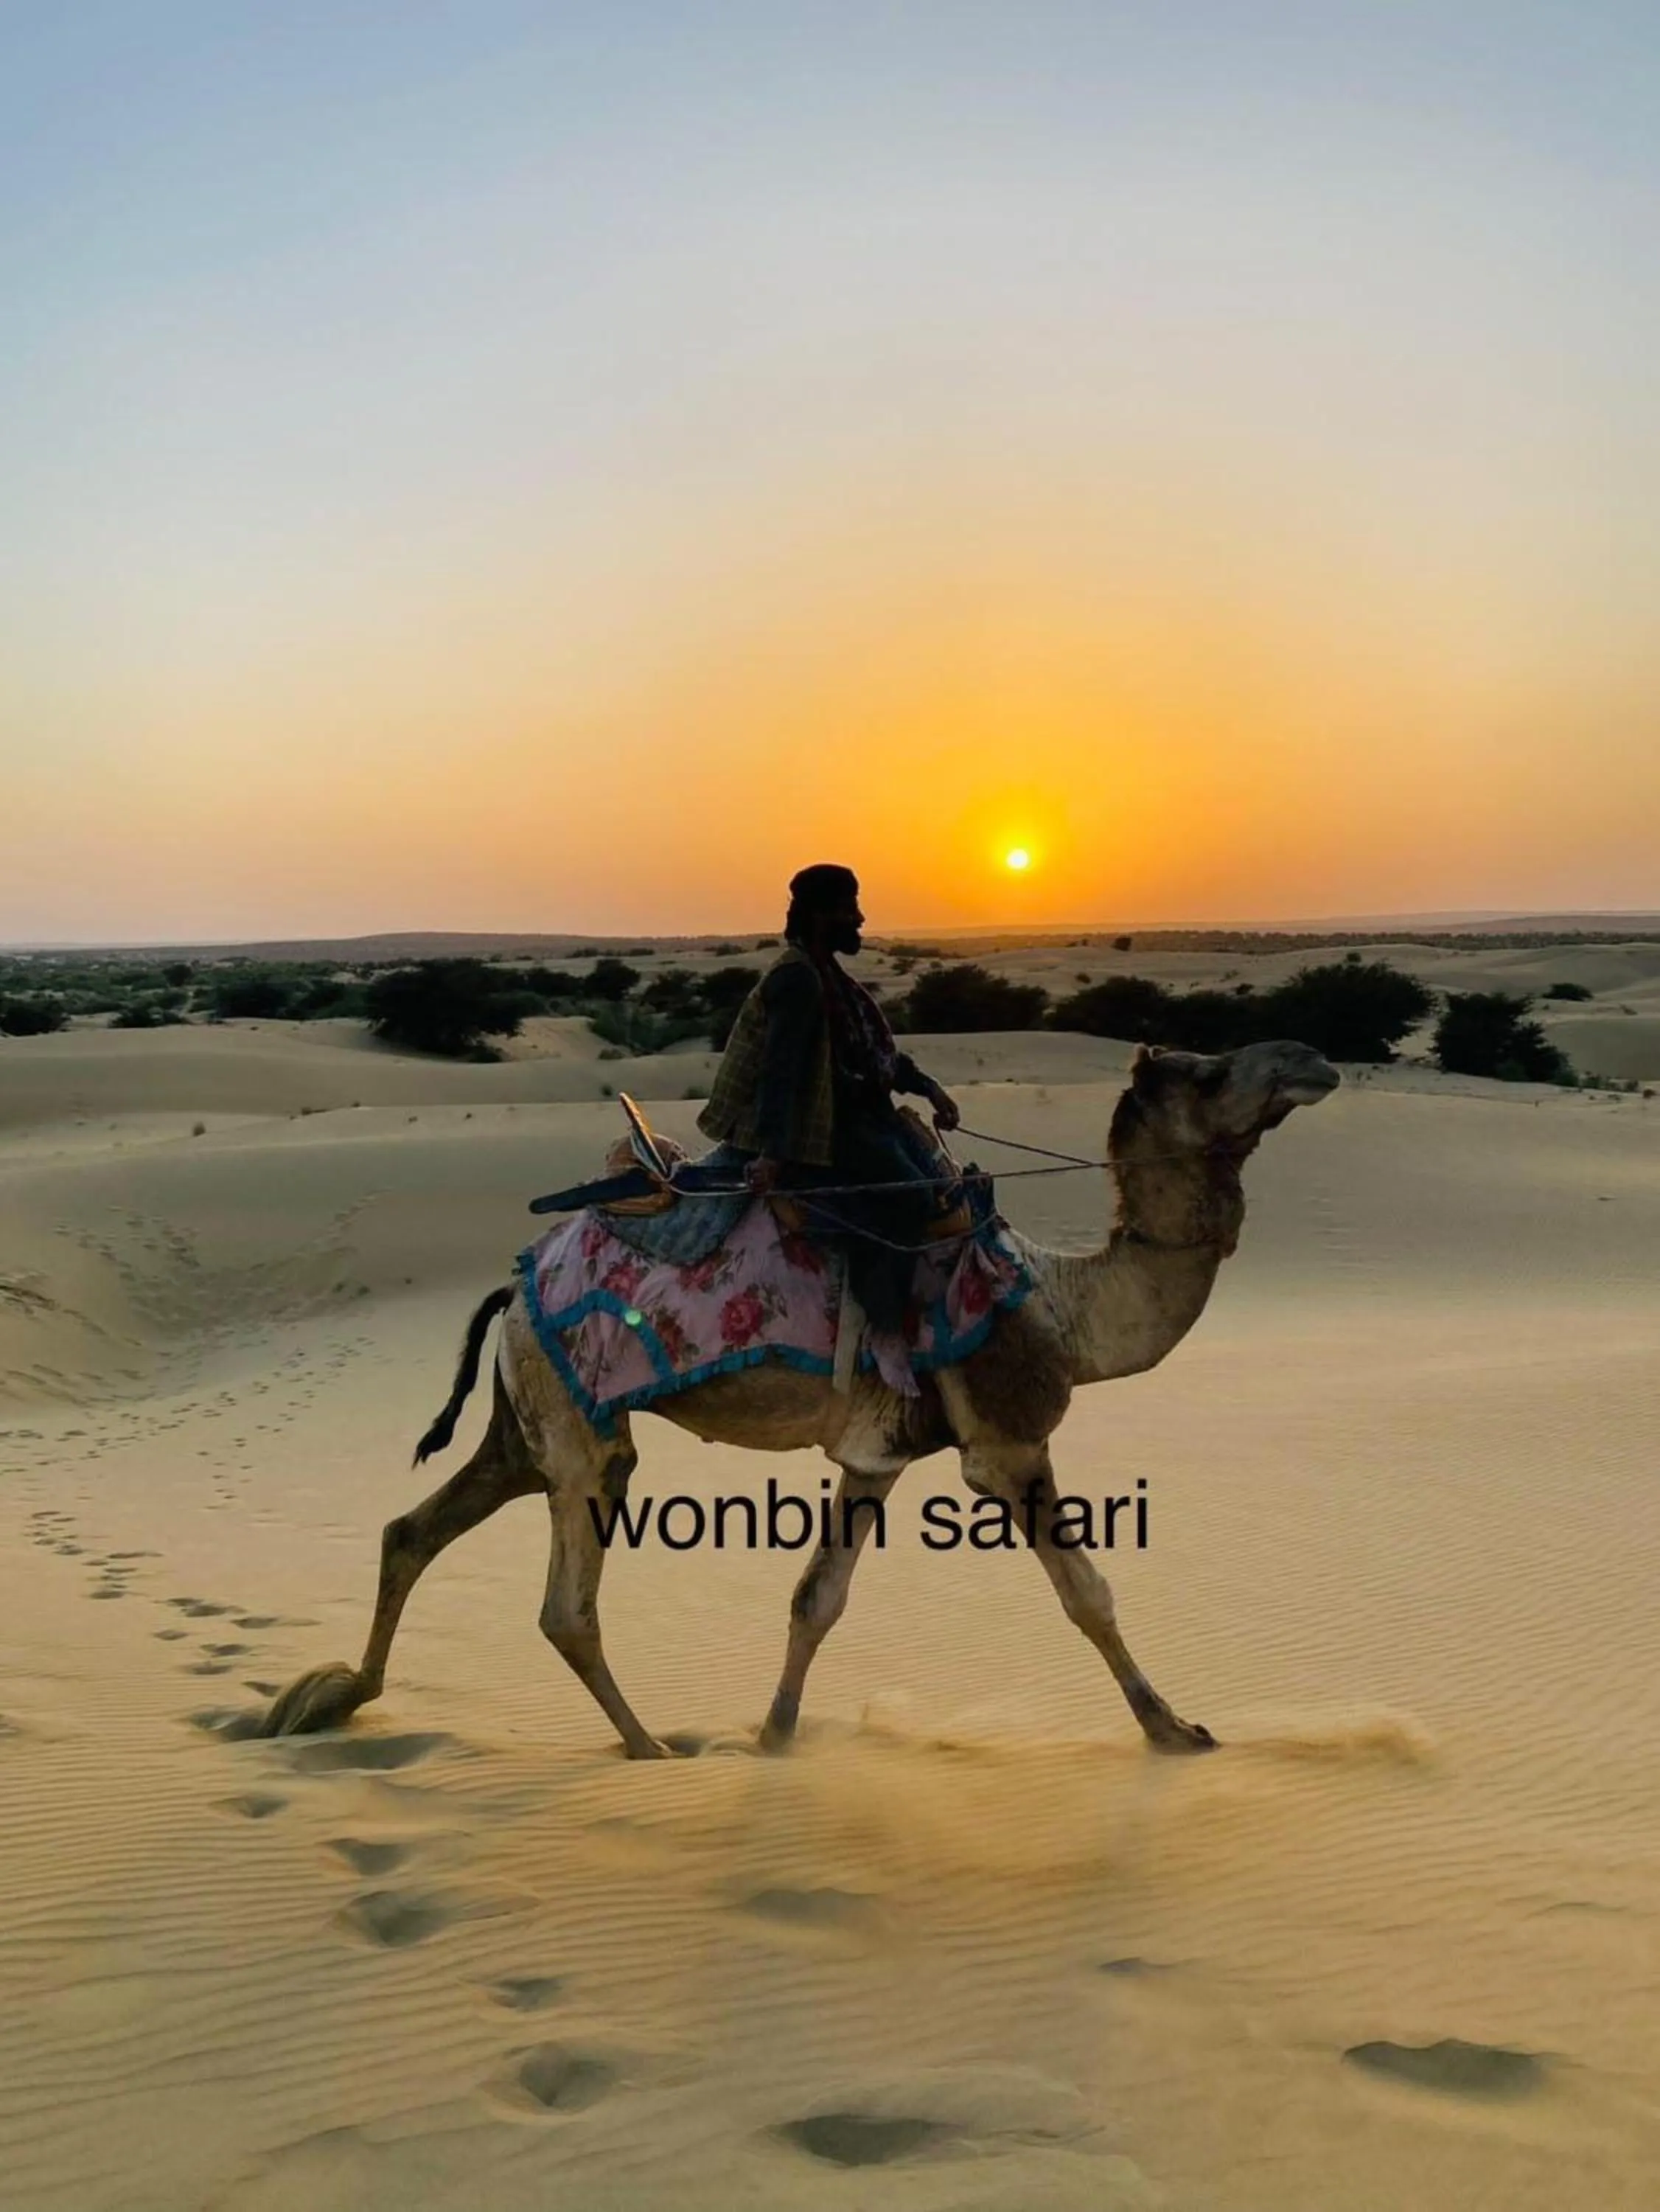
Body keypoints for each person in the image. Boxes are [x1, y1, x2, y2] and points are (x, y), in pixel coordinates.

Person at [697, 863, 961, 1340]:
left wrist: (928, 1087)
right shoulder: (797, 979)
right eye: (849, 908)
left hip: (854, 1116)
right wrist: (773, 1155)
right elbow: (782, 1072)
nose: (860, 919)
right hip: (817, 1129)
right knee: (910, 1198)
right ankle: (881, 1329)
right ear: (821, 915)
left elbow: (866, 1055)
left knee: (935, 1176)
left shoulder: (827, 975)